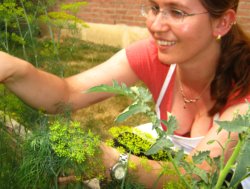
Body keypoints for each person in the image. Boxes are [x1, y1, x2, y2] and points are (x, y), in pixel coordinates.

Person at [0, 0, 250, 188]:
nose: (155, 25)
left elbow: (193, 176)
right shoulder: (156, 56)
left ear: (223, 22)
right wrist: (15, 70)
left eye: (177, 12)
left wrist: (110, 159)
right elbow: (68, 94)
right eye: (154, 7)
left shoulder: (245, 94)